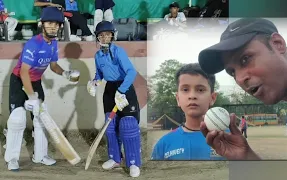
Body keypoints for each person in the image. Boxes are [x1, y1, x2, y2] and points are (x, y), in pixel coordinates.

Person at [198, 18, 287, 160]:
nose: (239, 79)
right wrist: (246, 157)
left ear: (277, 44)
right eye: (232, 72)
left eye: (245, 59)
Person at [4, 7, 80, 171]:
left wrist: (65, 73)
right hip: (19, 81)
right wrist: (32, 97)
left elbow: (53, 66)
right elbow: (24, 72)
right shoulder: (34, 43)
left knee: (41, 118)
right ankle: (12, 159)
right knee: (17, 119)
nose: (53, 26)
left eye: (57, 24)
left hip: (36, 81)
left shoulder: (53, 43)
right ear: (42, 24)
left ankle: (40, 155)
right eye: (49, 23)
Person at [86, 21, 141, 177]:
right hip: (110, 90)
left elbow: (131, 72)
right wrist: (94, 82)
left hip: (124, 88)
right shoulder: (98, 55)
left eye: (107, 35)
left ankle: (133, 163)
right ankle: (115, 158)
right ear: (97, 38)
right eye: (101, 35)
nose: (104, 38)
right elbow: (100, 74)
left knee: (127, 125)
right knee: (110, 126)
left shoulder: (118, 51)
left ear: (112, 35)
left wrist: (122, 91)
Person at [151, 63, 230, 160]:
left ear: (212, 98)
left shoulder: (230, 139)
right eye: (185, 89)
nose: (192, 96)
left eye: (200, 90)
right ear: (178, 99)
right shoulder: (164, 143)